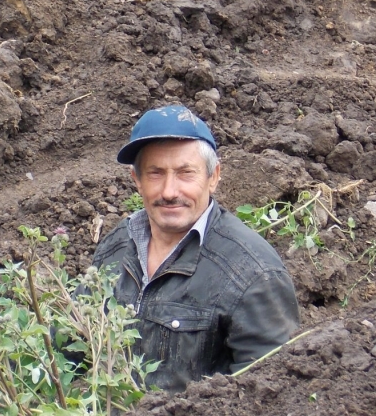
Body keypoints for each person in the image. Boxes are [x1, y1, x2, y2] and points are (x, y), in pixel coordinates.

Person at [91, 104, 299, 391]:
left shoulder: (253, 272)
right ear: (136, 180)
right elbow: (72, 340)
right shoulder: (117, 246)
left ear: (213, 177)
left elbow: (271, 391)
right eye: (155, 173)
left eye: (185, 173)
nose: (169, 191)